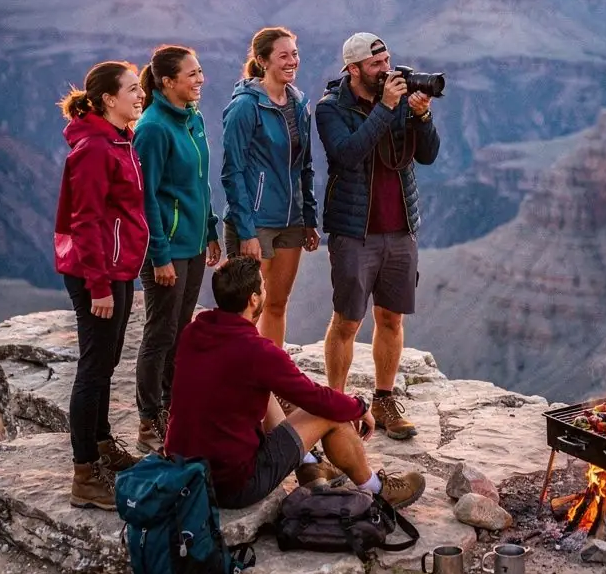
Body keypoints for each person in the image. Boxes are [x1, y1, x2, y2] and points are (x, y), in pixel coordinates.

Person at [165, 255, 426, 510]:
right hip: (232, 485)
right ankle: (377, 489)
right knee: (329, 413)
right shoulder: (258, 352)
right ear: (253, 299)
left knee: (263, 389)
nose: (265, 289)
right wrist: (358, 406)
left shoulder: (193, 332)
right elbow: (315, 399)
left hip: (183, 473)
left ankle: (309, 464)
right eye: (262, 285)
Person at [316, 33, 440, 440]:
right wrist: (386, 108)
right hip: (355, 231)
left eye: (387, 60)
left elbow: (428, 155)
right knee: (347, 320)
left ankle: (384, 400)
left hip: (400, 227)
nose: (386, 69)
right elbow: (347, 154)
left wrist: (422, 117)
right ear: (353, 69)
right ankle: (335, 407)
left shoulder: (400, 100)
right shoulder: (331, 108)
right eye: (376, 64)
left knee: (391, 318)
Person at [54, 61, 148, 509]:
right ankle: (85, 474)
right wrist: (98, 286)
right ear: (109, 99)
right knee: (94, 367)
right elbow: (86, 221)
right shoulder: (94, 148)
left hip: (118, 266)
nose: (140, 94)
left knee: (106, 361)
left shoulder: (119, 139)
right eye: (132, 89)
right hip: (97, 272)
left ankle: (103, 443)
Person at [133, 44, 221, 452]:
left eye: (200, 71)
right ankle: (148, 421)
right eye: (192, 74)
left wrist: (210, 229)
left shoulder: (192, 118)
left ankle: (173, 409)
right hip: (167, 249)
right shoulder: (152, 128)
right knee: (160, 333)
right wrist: (159, 255)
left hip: (194, 242)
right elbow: (145, 197)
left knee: (181, 329)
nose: (200, 79)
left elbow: (200, 183)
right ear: (167, 81)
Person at [221, 26, 319, 348]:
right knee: (246, 310)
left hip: (291, 221)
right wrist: (246, 230)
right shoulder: (245, 107)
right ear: (263, 61)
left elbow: (305, 165)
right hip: (256, 222)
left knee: (276, 304)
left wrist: (309, 217)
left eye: (295, 54)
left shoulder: (299, 103)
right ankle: (240, 376)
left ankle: (272, 373)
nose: (292, 61)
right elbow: (232, 172)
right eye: (283, 56)